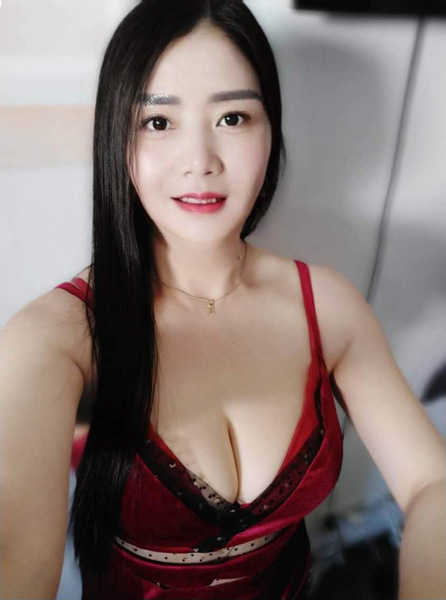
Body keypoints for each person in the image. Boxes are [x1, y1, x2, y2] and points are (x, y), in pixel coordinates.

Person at [0, 1, 445, 598]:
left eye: (233, 117)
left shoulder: (328, 307)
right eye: (159, 122)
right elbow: (16, 560)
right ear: (116, 138)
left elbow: (431, 484)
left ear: (271, 130)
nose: (201, 162)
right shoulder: (56, 337)